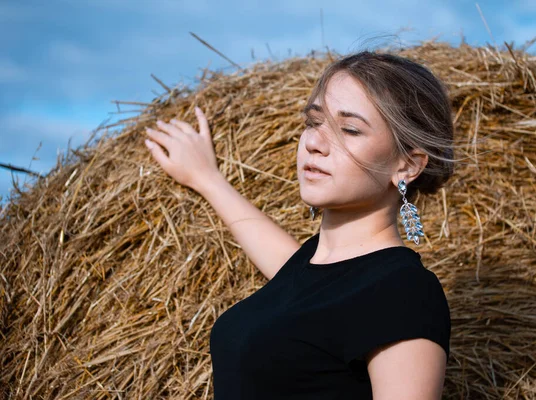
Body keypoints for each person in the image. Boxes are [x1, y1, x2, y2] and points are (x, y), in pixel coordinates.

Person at [144, 50, 454, 399]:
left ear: (407, 166)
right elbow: (303, 282)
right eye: (313, 121)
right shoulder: (307, 270)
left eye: (349, 129)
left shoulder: (404, 293)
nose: (314, 142)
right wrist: (207, 179)